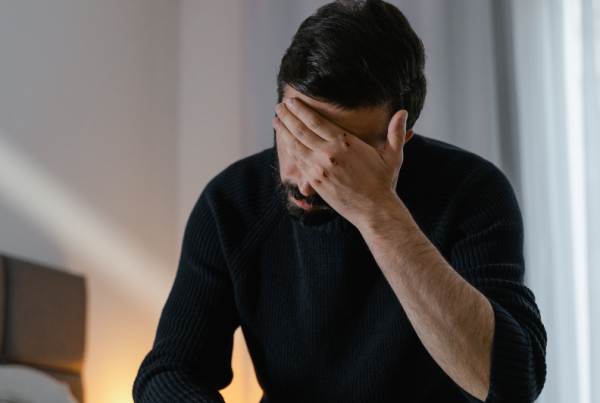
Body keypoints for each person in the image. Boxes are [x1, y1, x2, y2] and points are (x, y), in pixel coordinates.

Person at [133, 1, 547, 402]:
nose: (311, 182)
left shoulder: (472, 191)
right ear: (279, 113)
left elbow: (510, 385)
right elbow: (170, 371)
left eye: (346, 154)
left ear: (401, 136)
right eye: (301, 138)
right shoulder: (230, 204)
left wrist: (378, 212)